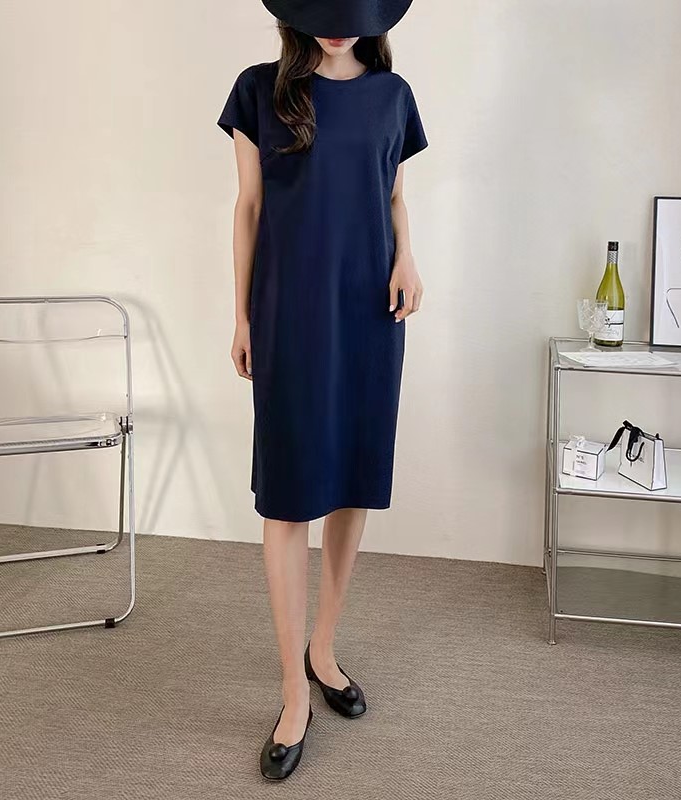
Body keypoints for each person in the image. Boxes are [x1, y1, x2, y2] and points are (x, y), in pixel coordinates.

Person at [217, 0, 428, 781]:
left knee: (352, 485)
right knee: (287, 497)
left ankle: (324, 649)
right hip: (289, 312)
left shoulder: (392, 95)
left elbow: (394, 194)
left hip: (370, 309)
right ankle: (291, 693)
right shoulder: (258, 90)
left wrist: (408, 258)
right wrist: (241, 315)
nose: (337, 25)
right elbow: (248, 208)